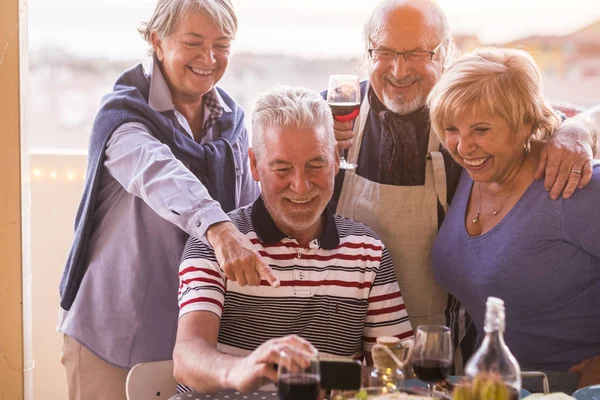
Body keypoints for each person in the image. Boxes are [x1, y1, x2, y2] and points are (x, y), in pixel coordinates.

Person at [329, 0, 598, 364]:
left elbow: (564, 114)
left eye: (416, 53)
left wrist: (580, 127)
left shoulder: (567, 181)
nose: (464, 146)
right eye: (386, 52)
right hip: (455, 374)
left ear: (444, 55)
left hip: (544, 382)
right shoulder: (475, 170)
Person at [57, 1, 280, 399]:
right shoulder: (124, 117)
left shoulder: (233, 122)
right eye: (193, 42)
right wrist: (218, 229)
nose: (208, 58)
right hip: (113, 338)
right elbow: (159, 172)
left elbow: (251, 210)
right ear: (157, 42)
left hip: (198, 342)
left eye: (221, 45)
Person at [173, 86, 414, 393]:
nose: (301, 187)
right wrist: (243, 369)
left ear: (337, 160)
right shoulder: (220, 243)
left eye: (316, 166)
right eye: (282, 168)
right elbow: (187, 358)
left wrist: (387, 376)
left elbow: (394, 365)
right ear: (255, 165)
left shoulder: (367, 249)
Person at [428, 47, 600, 394]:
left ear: (525, 122)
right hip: (489, 388)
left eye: (481, 129)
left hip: (568, 390)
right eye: (451, 128)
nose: (463, 147)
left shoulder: (577, 185)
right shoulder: (470, 173)